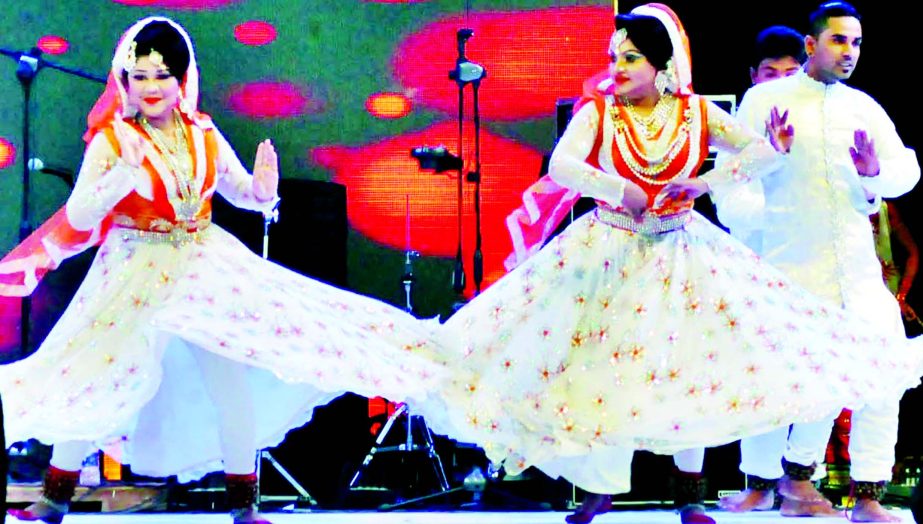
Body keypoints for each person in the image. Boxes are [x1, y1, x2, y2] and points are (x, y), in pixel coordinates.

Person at [415, 3, 923, 524]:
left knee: (690, 367)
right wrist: (619, 189)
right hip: (610, 252)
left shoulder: (696, 112)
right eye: (615, 57)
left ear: (661, 66)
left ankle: (694, 497)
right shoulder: (600, 112)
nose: (618, 68)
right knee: (604, 367)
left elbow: (756, 158)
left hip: (680, 252)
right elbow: (562, 165)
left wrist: (718, 175)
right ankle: (600, 489)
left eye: (631, 58)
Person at [0, 17, 442, 524]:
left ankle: (243, 506)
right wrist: (120, 174)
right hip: (134, 269)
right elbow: (78, 216)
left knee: (229, 382)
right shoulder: (114, 138)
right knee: (99, 377)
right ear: (124, 79)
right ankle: (55, 497)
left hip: (202, 265)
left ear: (182, 77)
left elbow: (241, 194)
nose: (151, 87)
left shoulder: (202, 132)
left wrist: (264, 187)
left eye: (162, 75)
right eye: (139, 75)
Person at [713, 2, 921, 522]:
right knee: (779, 381)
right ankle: (771, 483)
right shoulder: (765, 100)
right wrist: (773, 217)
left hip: (856, 272)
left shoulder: (863, 107)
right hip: (787, 268)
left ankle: (868, 494)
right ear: (811, 45)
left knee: (883, 373)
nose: (848, 53)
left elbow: (905, 170)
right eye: (838, 41)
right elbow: (733, 182)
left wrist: (874, 177)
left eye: (856, 43)